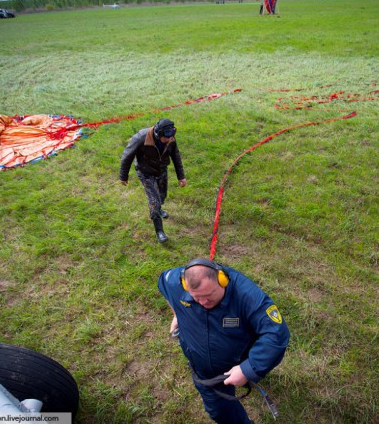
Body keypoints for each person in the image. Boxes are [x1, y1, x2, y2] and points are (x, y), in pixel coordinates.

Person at [158, 258, 290, 423]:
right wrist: (176, 314)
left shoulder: (246, 294)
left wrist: (247, 369)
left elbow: (276, 333)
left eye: (208, 296)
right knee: (221, 414)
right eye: (197, 298)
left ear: (223, 281)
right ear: (185, 286)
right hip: (206, 374)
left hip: (239, 357)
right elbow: (162, 283)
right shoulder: (174, 281)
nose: (203, 302)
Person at [119, 118, 187, 243]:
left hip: (161, 171)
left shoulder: (170, 138)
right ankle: (159, 231)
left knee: (161, 196)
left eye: (171, 136)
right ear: (158, 134)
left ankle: (159, 209)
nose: (169, 140)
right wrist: (123, 176)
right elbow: (127, 155)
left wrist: (181, 176)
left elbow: (176, 156)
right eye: (166, 138)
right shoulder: (141, 138)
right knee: (154, 202)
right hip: (146, 173)